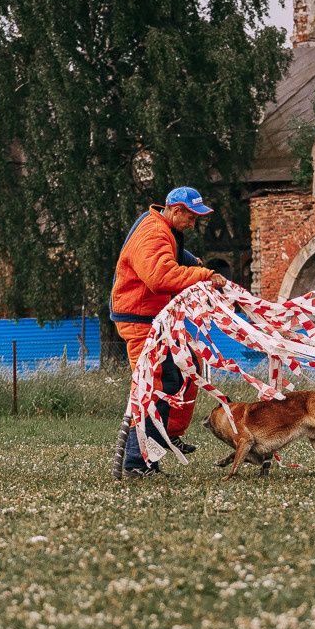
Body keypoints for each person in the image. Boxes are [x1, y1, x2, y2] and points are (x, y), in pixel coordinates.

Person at [111, 186, 227, 477]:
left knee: (186, 369)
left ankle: (167, 435)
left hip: (157, 317)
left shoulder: (163, 228)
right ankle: (138, 464)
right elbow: (160, 277)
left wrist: (193, 263)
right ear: (176, 210)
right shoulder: (153, 232)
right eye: (190, 217)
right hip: (139, 318)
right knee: (154, 387)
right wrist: (204, 275)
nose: (193, 223)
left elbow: (172, 254)